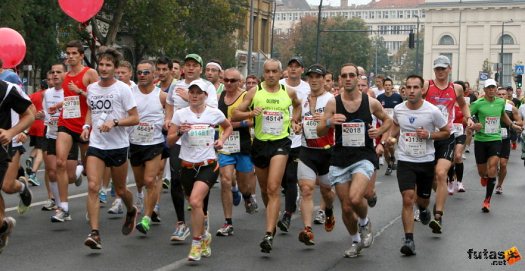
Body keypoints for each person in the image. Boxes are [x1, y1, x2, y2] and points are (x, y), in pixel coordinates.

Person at [317, 63, 391, 258]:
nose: (348, 78)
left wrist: (380, 133)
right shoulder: (333, 103)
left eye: (352, 75)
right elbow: (319, 130)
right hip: (340, 157)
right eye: (344, 76)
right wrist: (329, 122)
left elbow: (389, 121)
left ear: (358, 79)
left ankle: (365, 223)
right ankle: (356, 241)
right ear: (340, 79)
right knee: (347, 207)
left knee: (356, 198)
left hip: (363, 156)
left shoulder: (370, 102)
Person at [232, 58, 301, 253]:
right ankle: (272, 212)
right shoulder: (255, 92)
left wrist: (295, 121)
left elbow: (297, 105)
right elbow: (235, 114)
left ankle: (269, 234)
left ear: (281, 74)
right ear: (263, 73)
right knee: (264, 189)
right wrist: (250, 113)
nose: (271, 75)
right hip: (260, 144)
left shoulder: (288, 91)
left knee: (273, 187)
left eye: (274, 71)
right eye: (267, 71)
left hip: (281, 143)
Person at [167, 79, 232, 261]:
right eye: (192, 92)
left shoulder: (214, 113)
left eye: (199, 93)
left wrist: (222, 140)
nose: (195, 95)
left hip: (209, 164)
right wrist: (180, 132)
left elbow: (228, 126)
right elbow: (169, 141)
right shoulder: (180, 115)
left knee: (195, 201)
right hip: (187, 165)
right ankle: (204, 236)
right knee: (196, 206)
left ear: (205, 95)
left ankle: (196, 243)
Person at [81, 48, 140, 249]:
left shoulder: (123, 89)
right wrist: (87, 126)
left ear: (115, 68)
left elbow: (134, 118)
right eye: (101, 64)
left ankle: (131, 210)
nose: (104, 68)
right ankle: (95, 233)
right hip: (97, 144)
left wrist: (115, 122)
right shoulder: (92, 89)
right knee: (92, 186)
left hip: (118, 145)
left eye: (108, 65)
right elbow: (91, 110)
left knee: (121, 190)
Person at [390, 75, 450, 256]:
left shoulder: (432, 111)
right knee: (408, 198)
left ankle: (424, 209)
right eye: (408, 87)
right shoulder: (398, 109)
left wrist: (430, 135)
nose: (411, 91)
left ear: (422, 90)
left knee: (422, 200)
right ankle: (409, 239)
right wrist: (390, 139)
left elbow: (446, 132)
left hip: (425, 161)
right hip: (405, 160)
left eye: (415, 87)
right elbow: (395, 126)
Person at [164, 53, 218, 242]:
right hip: (179, 138)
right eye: (187, 65)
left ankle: (202, 215)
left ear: (200, 69)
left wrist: (189, 97)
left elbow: (211, 109)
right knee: (176, 178)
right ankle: (181, 224)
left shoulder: (208, 87)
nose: (190, 68)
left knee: (200, 180)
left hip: (200, 140)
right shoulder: (175, 85)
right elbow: (169, 104)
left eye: (195, 65)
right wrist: (168, 119)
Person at [422, 55, 473, 234]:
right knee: (431, 179)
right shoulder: (426, 86)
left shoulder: (456, 88)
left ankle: (438, 216)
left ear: (449, 69)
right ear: (434, 70)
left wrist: (468, 118)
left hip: (447, 135)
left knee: (441, 173)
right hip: (427, 137)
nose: (440, 71)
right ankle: (439, 196)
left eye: (443, 68)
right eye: (437, 69)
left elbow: (463, 105)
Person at [53, 40, 98, 222]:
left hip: (86, 125)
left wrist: (80, 91)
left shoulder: (90, 73)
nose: (70, 56)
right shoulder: (64, 76)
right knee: (60, 162)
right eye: (68, 53)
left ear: (81, 55)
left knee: (90, 170)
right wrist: (57, 105)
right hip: (66, 122)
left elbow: (99, 98)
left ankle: (92, 203)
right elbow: (69, 99)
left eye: (74, 53)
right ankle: (63, 207)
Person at [296, 64, 335, 246]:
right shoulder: (303, 98)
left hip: (326, 151)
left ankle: (329, 211)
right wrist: (296, 125)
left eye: (317, 77)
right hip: (307, 150)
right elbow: (297, 118)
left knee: (327, 191)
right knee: (306, 189)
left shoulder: (331, 100)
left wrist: (323, 119)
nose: (313, 80)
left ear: (323, 79)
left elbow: (337, 121)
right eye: (310, 77)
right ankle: (308, 230)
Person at [470, 79, 522, 213]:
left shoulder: (500, 102)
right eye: (489, 88)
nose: (492, 90)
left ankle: (487, 200)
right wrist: (473, 124)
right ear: (485, 90)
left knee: (493, 167)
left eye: (494, 88)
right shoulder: (478, 103)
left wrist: (512, 125)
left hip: (495, 138)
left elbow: (503, 116)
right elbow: (468, 116)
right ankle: (484, 176)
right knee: (482, 171)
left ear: (496, 89)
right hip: (481, 140)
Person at [216, 68, 257, 237]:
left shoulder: (246, 97)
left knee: (245, 186)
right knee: (225, 181)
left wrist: (233, 125)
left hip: (244, 145)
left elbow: (253, 121)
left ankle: (247, 196)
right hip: (225, 145)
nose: (228, 83)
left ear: (240, 82)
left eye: (233, 81)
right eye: (226, 80)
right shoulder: (220, 97)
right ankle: (228, 222)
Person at [129, 60, 167, 234]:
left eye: (146, 72)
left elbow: (173, 113)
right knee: (139, 182)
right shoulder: (130, 93)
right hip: (135, 142)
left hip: (155, 143)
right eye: (139, 72)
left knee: (150, 180)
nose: (142, 76)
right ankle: (140, 198)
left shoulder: (162, 96)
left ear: (154, 76)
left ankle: (146, 217)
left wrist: (168, 121)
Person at [42, 64, 84, 212]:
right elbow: (45, 113)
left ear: (65, 74)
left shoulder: (70, 88)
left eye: (58, 72)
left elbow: (78, 104)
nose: (55, 74)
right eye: (52, 72)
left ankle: (80, 168)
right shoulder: (47, 93)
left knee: (70, 176)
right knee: (52, 171)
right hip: (51, 134)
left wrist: (61, 105)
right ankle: (60, 206)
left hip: (67, 132)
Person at [0, 79, 35, 253]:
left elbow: (31, 112)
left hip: (9, 143)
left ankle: (22, 187)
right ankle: (3, 225)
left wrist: (19, 132)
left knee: (7, 186)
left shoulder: (9, 86)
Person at [277, 56, 311, 233]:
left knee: (291, 177)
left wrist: (302, 123)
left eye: (297, 67)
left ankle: (288, 214)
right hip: (279, 136)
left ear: (302, 70)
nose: (293, 69)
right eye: (290, 66)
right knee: (281, 178)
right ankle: (292, 195)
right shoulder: (280, 84)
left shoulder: (307, 88)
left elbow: (311, 109)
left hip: (299, 138)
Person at [495, 87, 522, 194]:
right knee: (493, 163)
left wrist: (512, 124)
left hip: (505, 138)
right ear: (496, 95)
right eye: (499, 94)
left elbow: (520, 122)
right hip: (491, 138)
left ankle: (499, 185)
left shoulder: (511, 108)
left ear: (507, 96)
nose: (501, 96)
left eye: (503, 94)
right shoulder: (490, 106)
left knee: (503, 164)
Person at [377, 78, 403, 176]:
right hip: (384, 126)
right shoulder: (379, 98)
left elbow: (401, 111)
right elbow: (377, 112)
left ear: (392, 86)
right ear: (383, 86)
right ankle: (389, 164)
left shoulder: (398, 97)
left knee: (390, 144)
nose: (388, 87)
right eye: (386, 85)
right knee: (385, 148)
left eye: (389, 85)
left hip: (394, 126)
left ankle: (392, 156)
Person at [447, 81, 468, 195]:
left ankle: (459, 182)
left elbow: (468, 118)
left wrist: (469, 122)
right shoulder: (448, 102)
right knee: (450, 160)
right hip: (449, 132)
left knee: (458, 156)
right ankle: (450, 181)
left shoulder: (464, 104)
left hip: (460, 132)